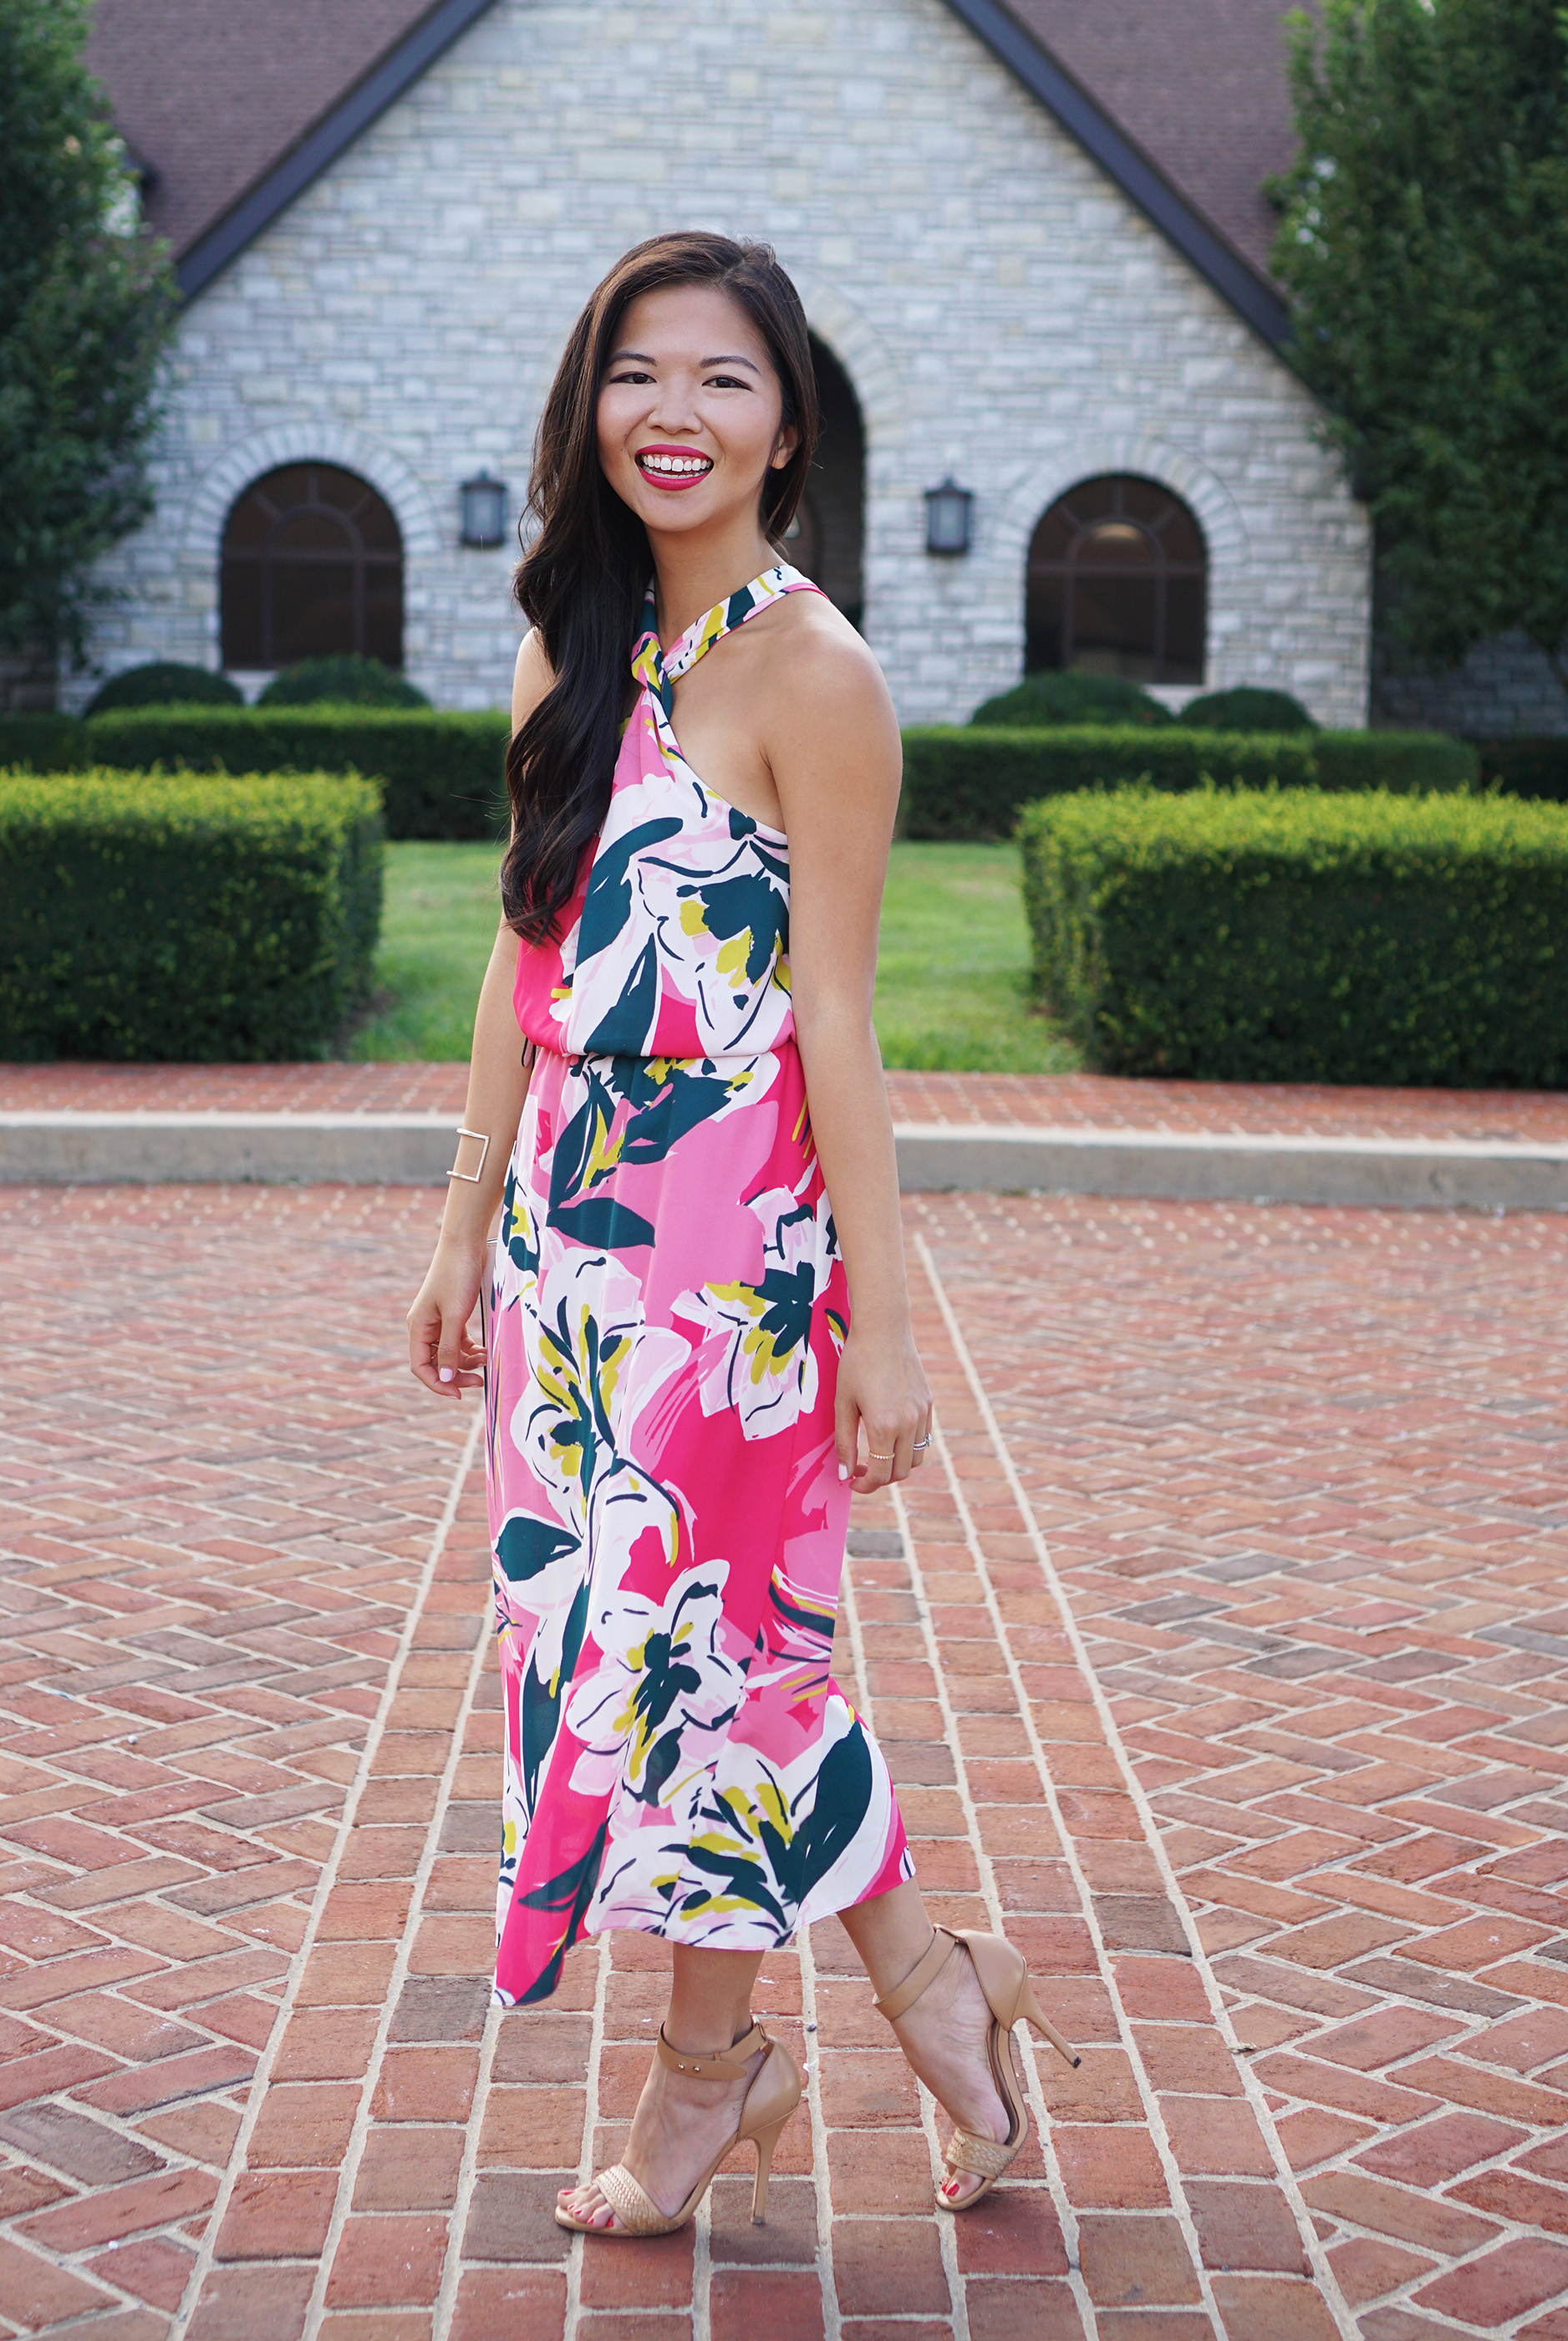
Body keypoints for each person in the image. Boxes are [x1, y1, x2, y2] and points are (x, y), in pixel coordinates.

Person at [406, 229, 1076, 2240]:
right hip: (566, 1253)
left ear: (786, 424)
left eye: (719, 379)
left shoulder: (818, 671)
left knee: (716, 1658)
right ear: (584, 403)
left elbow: (842, 1020)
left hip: (735, 1262)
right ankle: (918, 1992)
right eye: (635, 372)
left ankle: (716, 2076)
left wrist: (880, 1320)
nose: (670, 415)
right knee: (640, 1655)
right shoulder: (566, 642)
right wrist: (459, 1223)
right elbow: (519, 950)